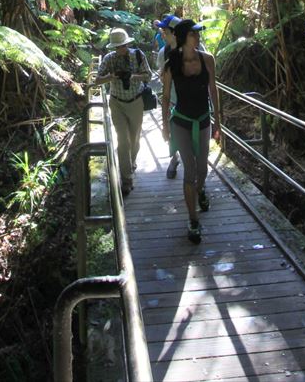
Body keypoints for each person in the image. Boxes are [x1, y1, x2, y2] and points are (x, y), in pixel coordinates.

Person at [162, 19, 221, 244]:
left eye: (198, 34)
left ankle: (200, 189)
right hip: (181, 121)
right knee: (190, 168)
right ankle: (193, 219)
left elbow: (213, 90)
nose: (197, 37)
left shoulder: (207, 60)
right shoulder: (171, 64)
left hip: (203, 120)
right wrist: (165, 126)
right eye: (193, 34)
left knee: (202, 168)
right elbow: (166, 96)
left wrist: (218, 122)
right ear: (184, 37)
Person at [94, 27, 152, 197]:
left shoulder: (138, 55)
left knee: (134, 139)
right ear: (113, 47)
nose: (121, 49)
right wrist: (112, 77)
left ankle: (132, 162)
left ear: (127, 43)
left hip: (136, 102)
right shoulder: (109, 59)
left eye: (123, 45)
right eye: (117, 47)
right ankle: (126, 180)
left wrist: (132, 76)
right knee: (123, 140)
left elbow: (148, 76)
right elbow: (97, 80)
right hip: (117, 103)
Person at [155, 14, 182, 178]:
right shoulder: (163, 53)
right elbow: (161, 76)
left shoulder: (195, 49)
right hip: (172, 100)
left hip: (192, 101)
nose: (162, 34)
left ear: (175, 32)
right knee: (172, 133)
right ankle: (174, 158)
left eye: (165, 31)